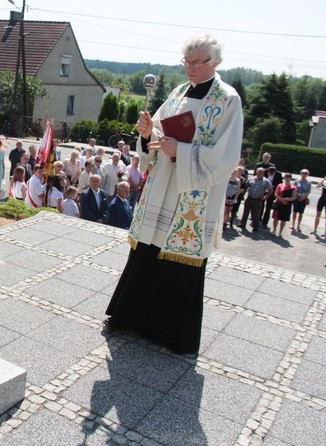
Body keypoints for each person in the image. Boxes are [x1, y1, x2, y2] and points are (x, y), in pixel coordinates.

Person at [105, 34, 243, 355]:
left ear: (216, 62)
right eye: (187, 62)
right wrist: (147, 133)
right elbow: (160, 137)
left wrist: (179, 149)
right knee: (148, 250)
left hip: (192, 199)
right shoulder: (180, 92)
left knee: (178, 263)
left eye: (198, 62)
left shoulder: (228, 100)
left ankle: (166, 331)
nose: (191, 69)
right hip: (163, 188)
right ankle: (131, 317)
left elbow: (224, 158)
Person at [238, 167, 273, 232]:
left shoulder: (266, 181)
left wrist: (265, 197)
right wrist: (243, 195)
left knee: (256, 214)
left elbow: (271, 190)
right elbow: (246, 187)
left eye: (261, 172)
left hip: (258, 199)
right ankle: (242, 224)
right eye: (258, 172)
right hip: (249, 198)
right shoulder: (251, 179)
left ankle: (255, 226)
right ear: (256, 172)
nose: (259, 173)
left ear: (263, 173)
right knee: (245, 212)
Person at [272, 173, 297, 238]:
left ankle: (280, 232)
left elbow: (294, 197)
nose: (287, 178)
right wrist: (281, 199)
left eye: (288, 177)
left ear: (291, 178)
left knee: (283, 219)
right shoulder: (280, 185)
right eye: (286, 177)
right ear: (284, 178)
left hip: (287, 205)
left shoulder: (293, 187)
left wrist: (286, 199)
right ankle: (274, 230)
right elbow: (275, 193)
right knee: (276, 218)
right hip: (279, 203)